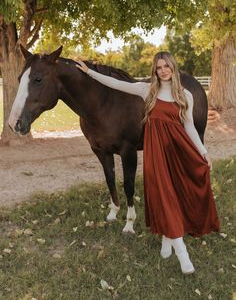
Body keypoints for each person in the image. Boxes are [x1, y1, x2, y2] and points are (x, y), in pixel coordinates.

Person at [75, 52, 220, 275]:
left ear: (173, 67)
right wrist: (89, 72)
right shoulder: (147, 91)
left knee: (176, 196)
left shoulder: (185, 95)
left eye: (166, 66)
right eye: (159, 67)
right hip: (156, 153)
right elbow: (114, 83)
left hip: (178, 151)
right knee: (163, 196)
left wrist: (203, 151)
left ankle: (166, 238)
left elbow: (189, 127)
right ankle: (183, 256)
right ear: (155, 70)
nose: (163, 70)